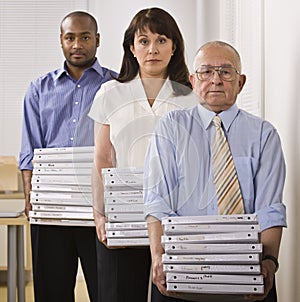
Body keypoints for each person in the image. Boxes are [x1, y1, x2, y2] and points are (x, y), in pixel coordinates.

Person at [144, 40, 287, 302]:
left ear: (240, 82)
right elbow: (157, 200)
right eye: (206, 72)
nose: (216, 80)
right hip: (181, 272)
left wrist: (269, 262)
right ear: (193, 80)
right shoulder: (171, 127)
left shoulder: (264, 135)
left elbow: (270, 209)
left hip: (246, 276)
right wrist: (158, 258)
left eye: (225, 71)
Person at [88, 7, 198, 302]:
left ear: (174, 46)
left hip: (176, 216)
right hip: (123, 215)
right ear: (131, 47)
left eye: (162, 40)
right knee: (117, 294)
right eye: (144, 41)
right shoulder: (110, 92)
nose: (153, 49)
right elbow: (102, 158)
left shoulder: (191, 97)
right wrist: (100, 214)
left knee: (173, 295)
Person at [19, 11, 117, 302]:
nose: (77, 44)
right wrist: (30, 196)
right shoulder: (38, 89)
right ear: (60, 41)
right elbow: (29, 149)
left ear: (97, 40)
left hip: (99, 208)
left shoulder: (115, 86)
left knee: (107, 289)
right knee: (51, 290)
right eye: (70, 37)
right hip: (52, 207)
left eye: (85, 37)